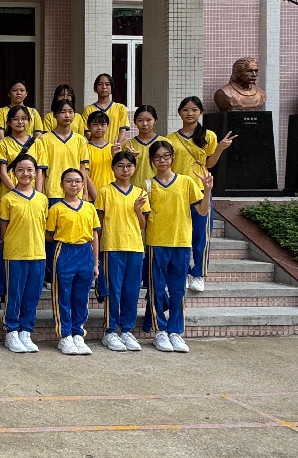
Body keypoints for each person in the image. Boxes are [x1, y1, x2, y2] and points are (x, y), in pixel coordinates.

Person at [144, 140, 213, 353]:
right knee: (156, 289)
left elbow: (202, 211)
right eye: (157, 157)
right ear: (152, 160)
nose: (162, 160)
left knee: (178, 290)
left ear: (172, 157)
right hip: (156, 242)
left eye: (166, 156)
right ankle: (159, 331)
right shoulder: (147, 185)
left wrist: (207, 190)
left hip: (181, 242)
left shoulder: (186, 182)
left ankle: (175, 331)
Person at [166, 96, 235, 293]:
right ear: (179, 113)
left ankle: (198, 274)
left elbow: (209, 163)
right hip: (178, 191)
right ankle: (182, 273)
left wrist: (220, 148)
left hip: (201, 190)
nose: (190, 113)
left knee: (201, 234)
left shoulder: (209, 136)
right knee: (180, 235)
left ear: (201, 112)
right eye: (186, 110)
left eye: (194, 110)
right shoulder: (170, 139)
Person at [94, 151, 149, 352]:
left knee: (131, 291)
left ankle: (126, 330)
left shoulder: (140, 193)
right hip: (112, 246)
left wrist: (138, 209)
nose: (125, 170)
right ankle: (110, 331)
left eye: (129, 166)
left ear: (134, 168)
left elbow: (143, 225)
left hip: (134, 246)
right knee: (113, 291)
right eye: (120, 166)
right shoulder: (105, 192)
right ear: (113, 168)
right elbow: (98, 224)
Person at [46, 168, 101, 356]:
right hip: (64, 251)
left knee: (81, 296)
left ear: (83, 184)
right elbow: (49, 235)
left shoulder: (89, 208)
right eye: (69, 181)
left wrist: (95, 263)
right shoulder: (56, 208)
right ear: (62, 185)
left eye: (77, 181)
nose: (73, 184)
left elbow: (94, 235)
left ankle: (78, 333)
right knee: (63, 295)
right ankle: (65, 335)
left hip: (85, 252)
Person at [0, 154, 48, 353]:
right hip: (15, 254)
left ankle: (26, 331)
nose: (25, 173)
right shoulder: (8, 199)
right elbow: (4, 229)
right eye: (20, 170)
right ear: (14, 173)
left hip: (38, 253)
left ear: (36, 173)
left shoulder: (42, 199)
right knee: (14, 294)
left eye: (29, 170)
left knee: (32, 295)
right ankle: (11, 330)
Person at [39, 99, 90, 283]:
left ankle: (73, 273)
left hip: (76, 195)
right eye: (62, 112)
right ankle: (51, 275)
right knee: (51, 237)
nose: (67, 115)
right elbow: (41, 170)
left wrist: (85, 193)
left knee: (73, 235)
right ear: (54, 115)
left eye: (70, 111)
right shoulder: (44, 139)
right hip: (53, 194)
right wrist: (41, 195)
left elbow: (83, 168)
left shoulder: (80, 140)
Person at [84, 110, 118, 201]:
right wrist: (97, 198)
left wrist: (115, 156)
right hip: (91, 198)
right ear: (88, 126)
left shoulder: (113, 148)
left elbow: (120, 173)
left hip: (112, 197)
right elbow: (85, 175)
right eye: (95, 124)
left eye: (103, 125)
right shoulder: (85, 148)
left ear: (107, 126)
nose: (99, 128)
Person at [82, 73, 130, 138]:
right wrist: (99, 143)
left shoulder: (121, 108)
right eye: (100, 84)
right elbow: (87, 132)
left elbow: (123, 131)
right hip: (94, 144)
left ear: (112, 88)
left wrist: (117, 143)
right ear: (95, 88)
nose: (104, 87)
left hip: (115, 144)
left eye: (107, 84)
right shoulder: (88, 110)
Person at [124, 105, 160, 188]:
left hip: (158, 188)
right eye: (140, 120)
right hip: (133, 189)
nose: (144, 124)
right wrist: (131, 159)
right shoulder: (128, 145)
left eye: (149, 120)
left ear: (155, 120)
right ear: (135, 122)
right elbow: (122, 170)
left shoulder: (164, 143)